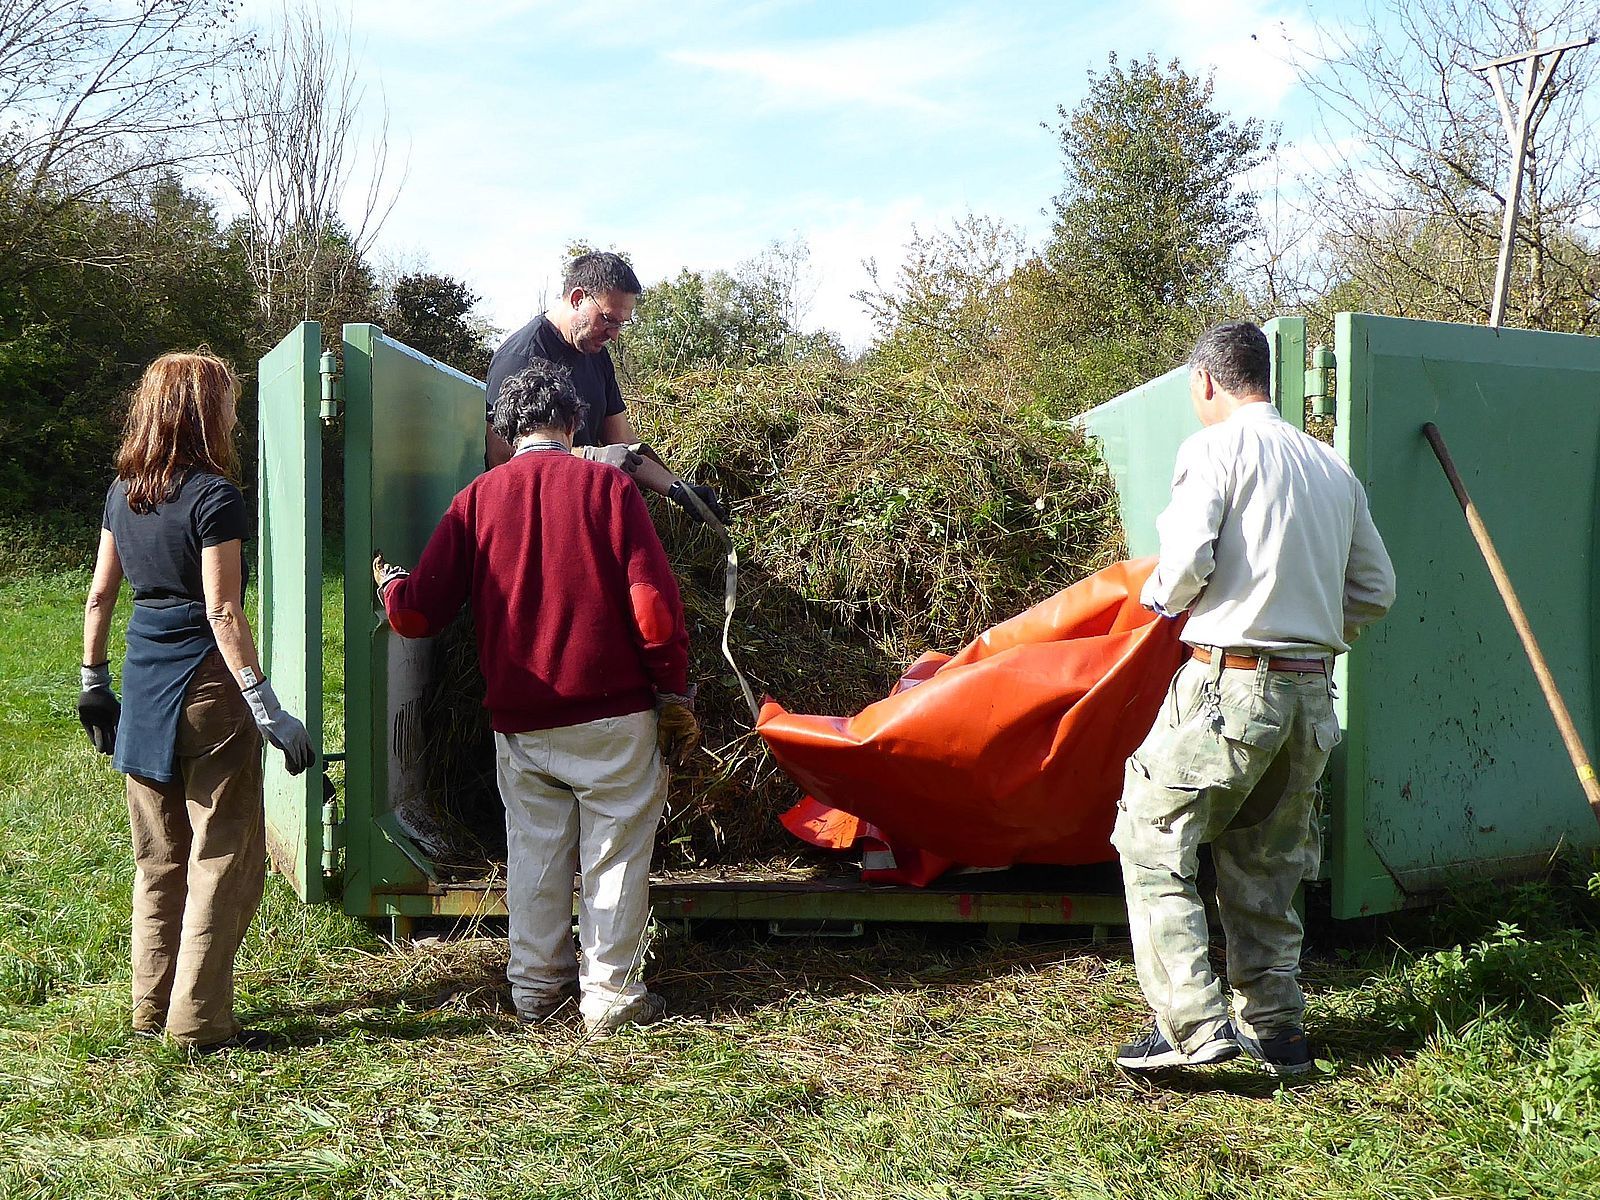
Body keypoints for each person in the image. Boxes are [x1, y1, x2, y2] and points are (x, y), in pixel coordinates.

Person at [373, 359, 700, 1036]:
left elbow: (418, 615)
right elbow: (654, 609)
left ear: (506, 428)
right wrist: (672, 690)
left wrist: (389, 586)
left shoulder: (475, 501)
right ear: (574, 421)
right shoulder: (608, 490)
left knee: (535, 853)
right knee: (613, 854)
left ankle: (534, 991)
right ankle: (610, 1000)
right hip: (614, 715)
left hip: (523, 721)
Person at [1112, 321, 1395, 1076]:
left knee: (1150, 835)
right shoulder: (1331, 468)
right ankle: (1277, 1031)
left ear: (1206, 382)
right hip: (1310, 695)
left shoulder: (1213, 449)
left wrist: (1153, 601)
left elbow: (1185, 563)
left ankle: (1191, 1026)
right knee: (1267, 865)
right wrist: (1310, 632)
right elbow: (1377, 590)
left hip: (1229, 685)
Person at [78, 351, 316, 1054]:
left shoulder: (123, 494)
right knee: (223, 853)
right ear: (203, 412)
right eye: (228, 403)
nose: (234, 415)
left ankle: (149, 1008)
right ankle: (199, 1020)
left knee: (157, 858)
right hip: (208, 687)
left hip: (144, 687)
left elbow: (99, 594)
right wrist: (267, 707)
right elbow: (223, 609)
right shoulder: (216, 497)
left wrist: (93, 680)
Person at [484, 250, 728, 525]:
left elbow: (624, 445)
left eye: (621, 324)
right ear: (578, 299)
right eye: (608, 319)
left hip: (584, 516)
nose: (614, 334)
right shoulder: (522, 358)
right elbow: (504, 456)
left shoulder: (596, 355)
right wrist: (593, 455)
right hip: (535, 522)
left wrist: (680, 490)